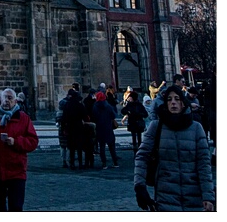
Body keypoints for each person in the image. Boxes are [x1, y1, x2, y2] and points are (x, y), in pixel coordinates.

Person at [134, 84, 214, 212]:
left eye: (177, 99)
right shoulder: (156, 126)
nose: (173, 103)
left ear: (183, 102)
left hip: (193, 196)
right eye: (169, 100)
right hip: (166, 195)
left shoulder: (196, 128)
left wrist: (208, 196)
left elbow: (204, 164)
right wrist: (139, 186)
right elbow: (142, 156)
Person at [0, 87, 39, 212]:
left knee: (16, 207)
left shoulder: (23, 118)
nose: (6, 101)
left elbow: (33, 142)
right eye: (4, 98)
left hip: (16, 171)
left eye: (10, 98)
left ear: (15, 101)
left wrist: (16, 142)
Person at [92, 90, 119, 169]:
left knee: (102, 147)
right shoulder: (108, 106)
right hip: (108, 127)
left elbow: (94, 117)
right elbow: (113, 116)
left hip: (100, 128)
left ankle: (104, 163)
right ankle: (115, 162)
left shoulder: (95, 106)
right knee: (112, 147)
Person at [61, 88, 86, 170]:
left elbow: (64, 118)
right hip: (79, 127)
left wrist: (64, 127)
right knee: (79, 147)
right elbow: (84, 116)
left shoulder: (67, 105)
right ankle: (80, 163)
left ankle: (72, 163)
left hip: (70, 127)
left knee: (71, 147)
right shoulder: (79, 105)